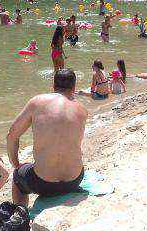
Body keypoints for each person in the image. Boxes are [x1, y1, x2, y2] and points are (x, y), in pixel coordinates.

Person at [7, 69, 87, 207]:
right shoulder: (81, 109)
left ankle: (21, 212)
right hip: (75, 180)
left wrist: (16, 164)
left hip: (43, 183)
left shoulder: (37, 102)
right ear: (74, 88)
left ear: (53, 86)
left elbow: (12, 135)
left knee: (18, 177)